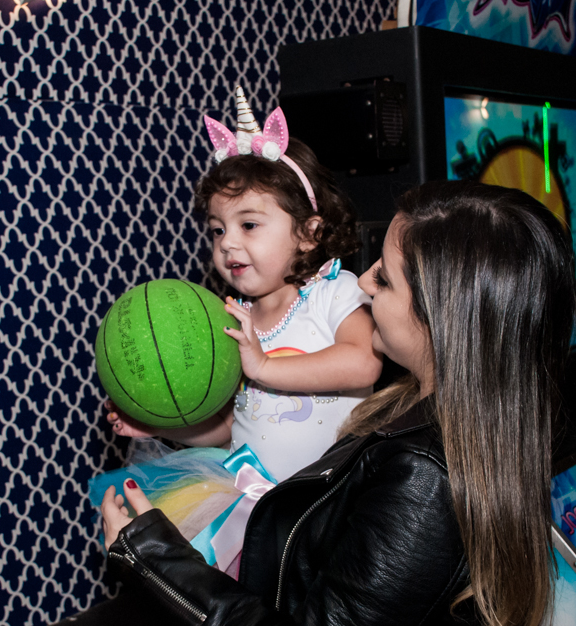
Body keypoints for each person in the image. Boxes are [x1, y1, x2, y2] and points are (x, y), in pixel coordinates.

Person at [100, 179, 576, 626]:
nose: (365, 281)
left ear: (445, 317)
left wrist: (152, 557)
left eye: (388, 278)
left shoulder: (425, 476)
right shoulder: (428, 418)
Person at [106, 87, 383, 484]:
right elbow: (226, 428)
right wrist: (162, 426)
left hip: (328, 501)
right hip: (253, 500)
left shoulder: (333, 292)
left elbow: (364, 362)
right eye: (218, 230)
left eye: (249, 225)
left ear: (308, 233)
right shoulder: (235, 317)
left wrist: (265, 366)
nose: (228, 243)